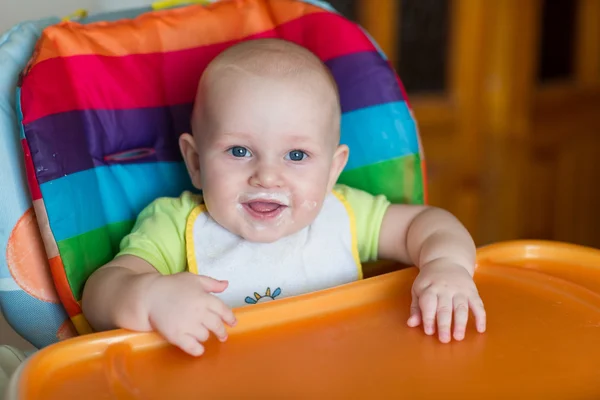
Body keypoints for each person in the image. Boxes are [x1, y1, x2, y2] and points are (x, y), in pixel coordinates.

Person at [81, 38, 486, 357]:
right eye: (239, 151)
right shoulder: (175, 224)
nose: (267, 176)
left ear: (332, 171)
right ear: (196, 161)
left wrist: (446, 265)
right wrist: (149, 296)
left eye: (296, 155)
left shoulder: (343, 214)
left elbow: (426, 224)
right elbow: (102, 291)